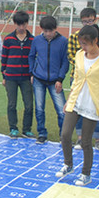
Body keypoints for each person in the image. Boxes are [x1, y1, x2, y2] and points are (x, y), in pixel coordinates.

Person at [57, 25, 99, 187]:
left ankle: (86, 173)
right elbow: (76, 78)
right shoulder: (79, 55)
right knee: (65, 134)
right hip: (76, 100)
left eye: (86, 43)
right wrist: (69, 99)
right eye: (81, 43)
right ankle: (68, 164)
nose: (83, 47)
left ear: (95, 41)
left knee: (86, 142)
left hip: (92, 104)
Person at [68, 8, 99, 151]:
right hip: (78, 77)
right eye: (85, 21)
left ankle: (98, 139)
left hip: (95, 79)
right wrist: (83, 65)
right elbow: (72, 56)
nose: (88, 24)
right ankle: (80, 138)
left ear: (95, 19)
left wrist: (91, 65)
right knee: (78, 109)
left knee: (95, 108)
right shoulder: (74, 37)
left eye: (90, 21)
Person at [29, 15, 68, 144]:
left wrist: (60, 79)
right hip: (39, 79)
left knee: (62, 110)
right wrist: (32, 73)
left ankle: (64, 136)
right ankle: (41, 133)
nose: (48, 34)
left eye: (50, 31)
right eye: (45, 31)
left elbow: (65, 61)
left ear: (55, 28)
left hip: (55, 81)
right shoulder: (37, 40)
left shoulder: (63, 41)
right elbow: (31, 56)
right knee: (39, 108)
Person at [1, 11, 34, 138]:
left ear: (27, 23)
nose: (21, 27)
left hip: (26, 78)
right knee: (12, 104)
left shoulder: (32, 40)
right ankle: (13, 128)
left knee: (29, 105)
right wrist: (4, 76)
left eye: (23, 24)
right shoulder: (8, 39)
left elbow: (34, 58)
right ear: (15, 23)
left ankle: (27, 129)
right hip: (11, 77)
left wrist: (32, 74)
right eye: (19, 24)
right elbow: (4, 58)